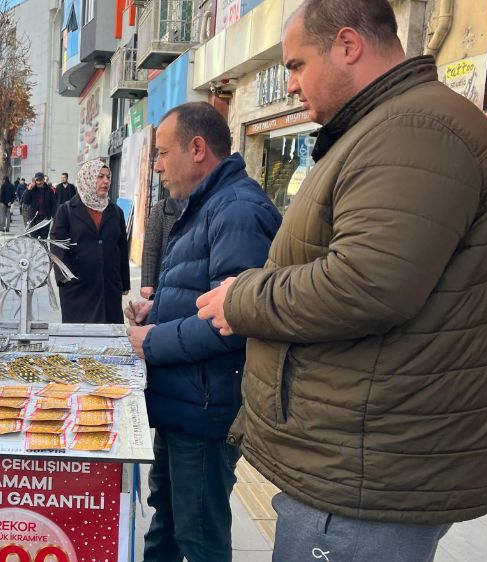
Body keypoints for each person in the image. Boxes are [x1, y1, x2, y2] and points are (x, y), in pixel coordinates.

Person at [195, 1, 487, 559]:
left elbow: (368, 283)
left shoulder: (415, 128)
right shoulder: (387, 126)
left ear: (348, 45)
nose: (290, 85)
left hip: (367, 470)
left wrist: (243, 298)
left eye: (296, 65)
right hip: (357, 459)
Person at [123, 102, 281, 562]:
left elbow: (233, 324)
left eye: (161, 152)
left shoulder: (237, 211)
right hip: (183, 401)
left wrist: (150, 341)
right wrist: (159, 308)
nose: (156, 165)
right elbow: (205, 294)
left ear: (197, 149)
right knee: (168, 525)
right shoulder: (208, 204)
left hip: (206, 408)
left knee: (199, 536)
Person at [50, 159, 129, 323]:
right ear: (88, 179)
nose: (106, 181)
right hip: (78, 289)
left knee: (111, 340)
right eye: (100, 176)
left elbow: (121, 248)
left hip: (109, 287)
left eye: (108, 177)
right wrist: (65, 279)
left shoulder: (116, 212)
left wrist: (124, 283)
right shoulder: (66, 211)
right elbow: (57, 246)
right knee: (80, 341)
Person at [139, 195, 182, 299]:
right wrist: (147, 283)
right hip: (163, 281)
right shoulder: (161, 209)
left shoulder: (202, 207)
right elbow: (150, 248)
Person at [21, 172, 55, 237]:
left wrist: (54, 216)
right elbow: (25, 201)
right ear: (35, 181)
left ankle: (43, 247)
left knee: (44, 238)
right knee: (34, 238)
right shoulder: (31, 190)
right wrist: (29, 190)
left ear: (43, 180)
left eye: (41, 180)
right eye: (37, 180)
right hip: (34, 218)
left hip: (45, 218)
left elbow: (53, 204)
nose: (39, 182)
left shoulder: (49, 190)